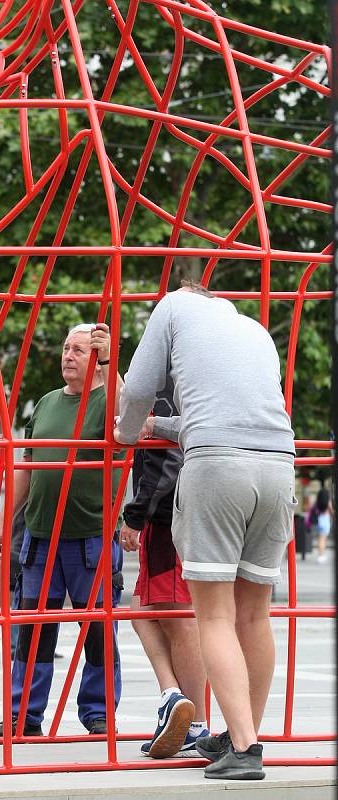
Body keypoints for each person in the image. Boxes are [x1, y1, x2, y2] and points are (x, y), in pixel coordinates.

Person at [114, 282, 296, 781]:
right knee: (254, 617)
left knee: (213, 615)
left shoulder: (173, 308)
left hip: (217, 466)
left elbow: (136, 388)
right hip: (279, 464)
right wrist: (163, 427)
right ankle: (243, 733)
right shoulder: (254, 330)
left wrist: (129, 432)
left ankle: (244, 747)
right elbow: (219, 413)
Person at [0, 323, 124, 737]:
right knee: (32, 631)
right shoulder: (46, 402)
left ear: (97, 361)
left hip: (91, 535)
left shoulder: (107, 398)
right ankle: (22, 717)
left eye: (79, 350)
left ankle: (98, 713)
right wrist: (2, 523)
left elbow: (128, 410)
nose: (68, 355)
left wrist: (110, 359)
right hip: (40, 535)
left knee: (99, 632)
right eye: (67, 348)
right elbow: (26, 467)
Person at [121, 377, 209, 759]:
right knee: (141, 611)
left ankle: (197, 722)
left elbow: (165, 460)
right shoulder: (174, 384)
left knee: (180, 618)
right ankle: (173, 695)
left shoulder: (172, 389)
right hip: (172, 515)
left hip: (170, 517)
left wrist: (135, 516)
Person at [309, 487, 334, 563]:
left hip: (318, 519)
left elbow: (312, 507)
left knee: (320, 538)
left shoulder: (318, 500)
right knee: (323, 539)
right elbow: (331, 509)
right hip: (325, 519)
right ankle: (321, 555)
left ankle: (321, 555)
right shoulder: (328, 500)